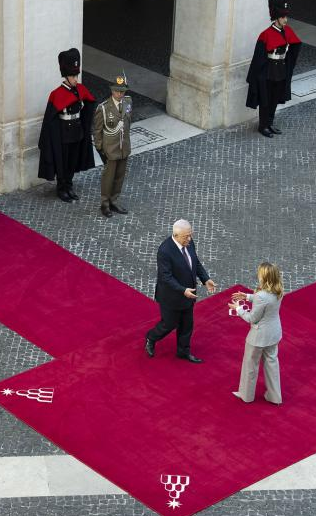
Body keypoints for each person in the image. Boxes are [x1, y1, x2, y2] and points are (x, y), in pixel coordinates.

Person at [145, 219, 217, 363]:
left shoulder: (189, 243)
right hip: (171, 297)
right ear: (176, 235)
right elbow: (166, 277)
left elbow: (195, 263)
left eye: (190, 235)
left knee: (187, 324)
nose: (189, 239)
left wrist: (205, 279)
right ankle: (151, 337)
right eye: (186, 236)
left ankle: (183, 351)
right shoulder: (165, 251)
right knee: (168, 324)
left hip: (188, 294)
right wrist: (182, 290)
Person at [37, 48, 97, 203]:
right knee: (62, 162)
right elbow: (50, 119)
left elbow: (89, 102)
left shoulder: (81, 89)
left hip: (77, 133)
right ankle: (61, 188)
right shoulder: (56, 94)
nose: (76, 79)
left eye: (76, 75)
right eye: (72, 76)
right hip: (63, 134)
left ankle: (69, 186)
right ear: (66, 76)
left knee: (72, 161)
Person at [229, 262, 284, 405]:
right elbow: (265, 300)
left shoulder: (261, 296)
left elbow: (252, 318)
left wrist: (238, 308)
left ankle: (246, 395)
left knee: (250, 365)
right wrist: (247, 297)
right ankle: (275, 396)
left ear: (264, 277)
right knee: (272, 364)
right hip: (273, 334)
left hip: (258, 337)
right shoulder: (278, 290)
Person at [246, 1, 302, 138]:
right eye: (283, 17)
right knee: (266, 99)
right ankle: (263, 126)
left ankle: (270, 123)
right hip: (269, 72)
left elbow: (295, 45)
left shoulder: (288, 31)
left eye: (286, 17)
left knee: (275, 98)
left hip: (281, 70)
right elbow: (259, 58)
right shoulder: (266, 34)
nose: (285, 20)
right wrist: (258, 76)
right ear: (276, 18)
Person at [93, 74, 132, 218]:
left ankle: (114, 200)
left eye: (122, 91)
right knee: (108, 177)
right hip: (110, 149)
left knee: (119, 176)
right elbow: (97, 130)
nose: (120, 94)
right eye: (117, 91)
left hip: (124, 148)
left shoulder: (128, 102)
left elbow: (128, 123)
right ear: (112, 90)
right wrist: (100, 148)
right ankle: (105, 203)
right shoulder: (103, 108)